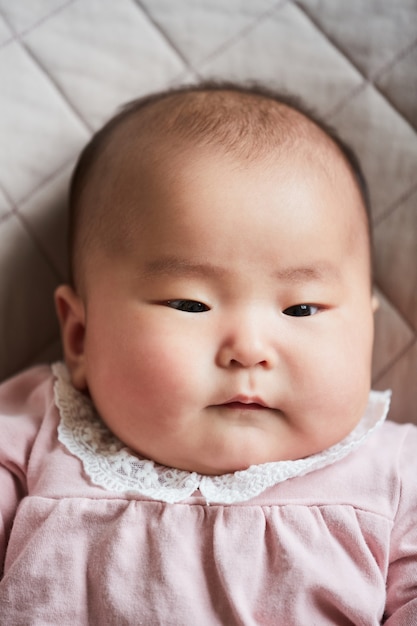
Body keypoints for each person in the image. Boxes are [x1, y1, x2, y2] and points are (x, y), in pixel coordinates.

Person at [0, 82, 416, 624]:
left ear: (366, 331)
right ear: (80, 336)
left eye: (302, 310)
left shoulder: (395, 473)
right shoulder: (34, 432)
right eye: (189, 304)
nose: (248, 350)